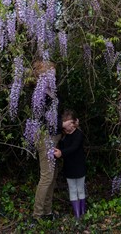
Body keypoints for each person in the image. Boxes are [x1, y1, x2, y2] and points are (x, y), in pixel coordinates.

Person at [31, 60, 74, 221]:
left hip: (55, 135)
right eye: (52, 74)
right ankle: (37, 215)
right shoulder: (39, 93)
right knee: (47, 176)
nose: (54, 77)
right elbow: (41, 119)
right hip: (44, 137)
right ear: (43, 75)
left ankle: (47, 212)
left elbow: (56, 115)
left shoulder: (52, 91)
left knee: (53, 175)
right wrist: (62, 124)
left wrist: (66, 124)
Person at [54, 109, 86, 219]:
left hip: (80, 167)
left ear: (73, 123)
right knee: (72, 190)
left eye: (68, 123)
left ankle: (83, 213)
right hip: (69, 168)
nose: (66, 126)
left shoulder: (79, 134)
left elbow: (74, 147)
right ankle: (77, 216)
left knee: (80, 189)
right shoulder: (63, 137)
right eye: (65, 123)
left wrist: (61, 153)